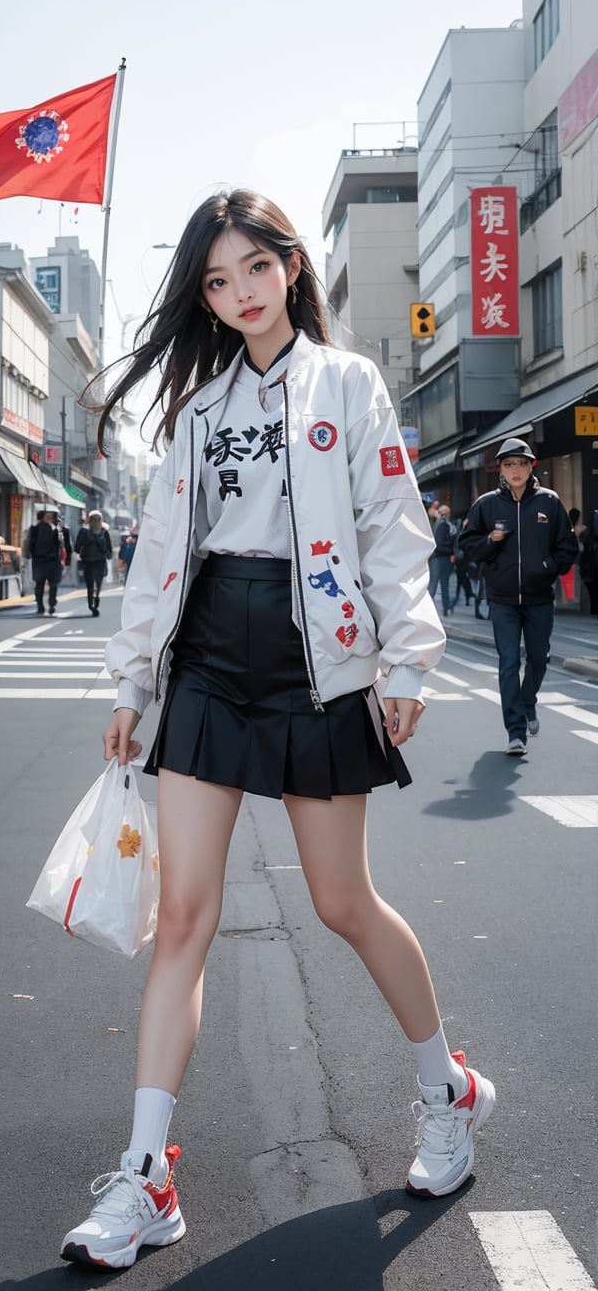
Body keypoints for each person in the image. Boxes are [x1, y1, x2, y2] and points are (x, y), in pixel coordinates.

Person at [59, 190, 496, 1272]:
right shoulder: (200, 410)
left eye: (254, 267)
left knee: (343, 901)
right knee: (184, 919)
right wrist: (132, 683)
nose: (239, 292)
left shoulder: (345, 383)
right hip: (208, 662)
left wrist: (408, 658)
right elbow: (164, 550)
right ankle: (147, 1175)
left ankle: (449, 1093)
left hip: (316, 663)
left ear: (291, 267)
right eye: (217, 279)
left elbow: (393, 523)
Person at [459, 438, 578, 755]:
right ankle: (516, 731)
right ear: (500, 469)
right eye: (509, 464)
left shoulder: (549, 503)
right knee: (508, 663)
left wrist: (547, 568)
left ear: (530, 467)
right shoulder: (486, 504)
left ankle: (528, 702)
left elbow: (567, 548)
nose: (515, 470)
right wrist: (491, 541)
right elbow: (469, 546)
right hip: (502, 599)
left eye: (521, 464)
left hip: (539, 598)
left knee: (538, 660)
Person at [74, 510, 112, 615]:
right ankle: (95, 601)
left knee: (91, 584)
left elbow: (77, 547)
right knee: (96, 584)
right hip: (97, 561)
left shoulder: (85, 532)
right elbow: (109, 549)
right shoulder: (103, 532)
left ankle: (92, 603)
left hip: (90, 561)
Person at [28, 505, 64, 615]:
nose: (49, 518)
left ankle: (46, 603)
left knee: (46, 584)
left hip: (46, 561)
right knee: (45, 584)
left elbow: (60, 545)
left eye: (51, 516)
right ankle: (44, 604)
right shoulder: (38, 529)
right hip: (45, 561)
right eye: (47, 516)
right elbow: (31, 545)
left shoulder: (54, 530)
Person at [427, 504, 457, 616]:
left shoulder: (440, 524)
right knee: (444, 584)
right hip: (446, 557)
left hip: (438, 558)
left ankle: (427, 610)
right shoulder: (448, 525)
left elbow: (438, 543)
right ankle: (446, 608)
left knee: (433, 584)